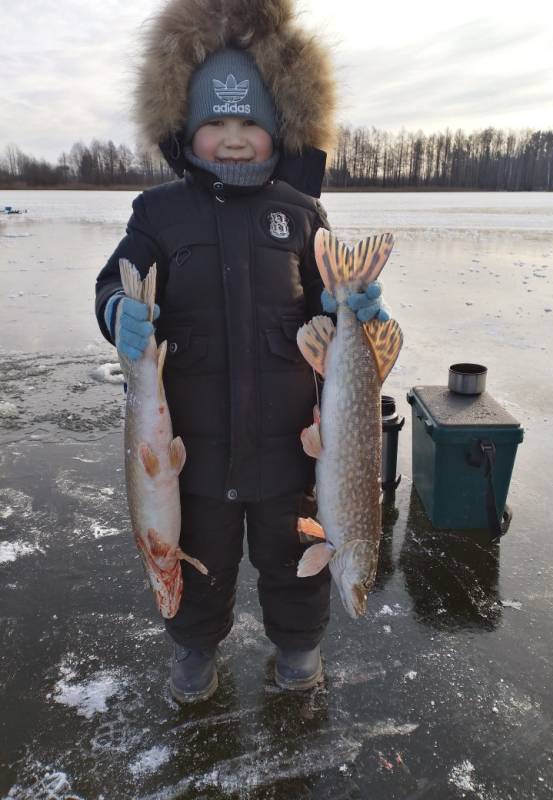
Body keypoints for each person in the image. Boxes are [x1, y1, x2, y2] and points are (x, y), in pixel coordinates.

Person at [94, 0, 388, 703]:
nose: (232, 140)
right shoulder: (158, 213)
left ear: (277, 128)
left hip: (290, 445)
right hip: (196, 445)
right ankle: (195, 651)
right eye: (214, 124)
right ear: (185, 131)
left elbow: (326, 292)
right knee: (202, 564)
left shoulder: (300, 210)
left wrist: (353, 311)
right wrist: (117, 311)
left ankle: (300, 650)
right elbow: (116, 276)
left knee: (296, 565)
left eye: (248, 123)